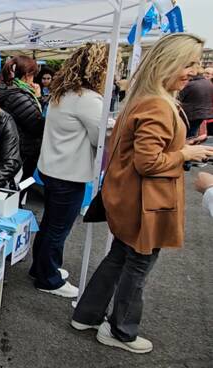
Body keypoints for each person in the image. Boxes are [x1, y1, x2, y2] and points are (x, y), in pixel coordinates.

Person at [71, 33, 213, 354]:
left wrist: (181, 148)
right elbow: (149, 162)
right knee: (137, 268)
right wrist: (185, 155)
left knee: (118, 259)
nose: (194, 71)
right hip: (146, 206)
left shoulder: (145, 99)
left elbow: (145, 152)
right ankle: (120, 331)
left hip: (131, 202)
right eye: (189, 63)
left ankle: (88, 314)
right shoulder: (158, 105)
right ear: (169, 63)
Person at [29, 43, 110, 298]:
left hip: (52, 169)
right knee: (57, 228)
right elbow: (102, 139)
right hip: (68, 173)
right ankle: (48, 277)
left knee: (50, 224)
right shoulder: (88, 100)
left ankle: (41, 268)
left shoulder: (62, 93)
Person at [0, 56, 44, 188]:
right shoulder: (21, 97)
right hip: (22, 151)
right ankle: (18, 202)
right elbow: (37, 126)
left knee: (4, 184)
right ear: (27, 75)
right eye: (33, 75)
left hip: (2, 147)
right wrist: (39, 98)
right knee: (20, 185)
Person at [178, 68, 213, 137]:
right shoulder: (209, 83)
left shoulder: (190, 84)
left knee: (186, 134)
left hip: (189, 114)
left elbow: (179, 98)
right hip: (203, 113)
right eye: (207, 73)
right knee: (193, 131)